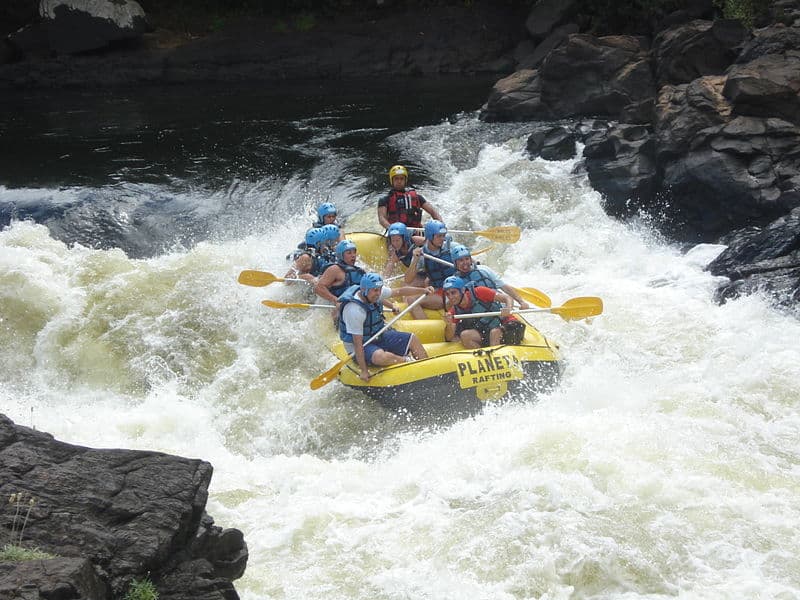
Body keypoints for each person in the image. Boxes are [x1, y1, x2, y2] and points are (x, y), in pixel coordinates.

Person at [339, 272, 431, 381]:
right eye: (375, 290)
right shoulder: (354, 310)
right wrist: (364, 371)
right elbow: (358, 344)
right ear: (364, 290)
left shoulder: (374, 292)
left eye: (380, 289)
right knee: (379, 356)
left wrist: (423, 290)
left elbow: (400, 291)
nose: (378, 293)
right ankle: (406, 360)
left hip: (378, 336)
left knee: (412, 338)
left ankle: (428, 370)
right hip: (361, 345)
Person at [442, 276, 526, 348]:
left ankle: (496, 357)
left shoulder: (479, 292)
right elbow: (449, 338)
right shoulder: (454, 310)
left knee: (495, 333)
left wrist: (509, 308)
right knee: (465, 335)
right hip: (488, 331)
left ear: (463, 290)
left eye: (453, 293)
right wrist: (449, 324)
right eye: (448, 294)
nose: (450, 297)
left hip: (509, 325)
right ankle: (485, 356)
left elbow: (507, 298)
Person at [450, 243, 531, 310]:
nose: (465, 263)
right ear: (455, 263)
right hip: (475, 313)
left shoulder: (484, 270)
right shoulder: (454, 281)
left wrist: (521, 302)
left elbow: (504, 287)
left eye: (467, 259)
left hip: (497, 307)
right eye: (461, 260)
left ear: (471, 260)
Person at [404, 219, 455, 311]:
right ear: (430, 237)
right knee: (410, 298)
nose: (443, 239)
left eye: (443, 236)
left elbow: (470, 263)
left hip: (455, 289)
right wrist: (415, 260)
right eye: (439, 236)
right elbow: (407, 279)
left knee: (412, 299)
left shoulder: (451, 247)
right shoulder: (422, 254)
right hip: (440, 290)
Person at [377, 165, 443, 230]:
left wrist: (440, 225)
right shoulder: (385, 200)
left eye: (402, 179)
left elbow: (433, 212)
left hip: (415, 232)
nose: (399, 181)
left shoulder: (417, 197)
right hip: (396, 235)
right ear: (392, 180)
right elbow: (382, 218)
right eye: (396, 179)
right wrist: (392, 229)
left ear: (405, 180)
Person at [314, 239, 367, 304]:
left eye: (354, 252)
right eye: (349, 253)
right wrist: (336, 301)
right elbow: (318, 288)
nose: (353, 255)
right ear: (340, 255)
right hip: (333, 307)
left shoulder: (360, 271)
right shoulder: (334, 269)